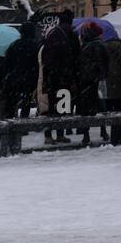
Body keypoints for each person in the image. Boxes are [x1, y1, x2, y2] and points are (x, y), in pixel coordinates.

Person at [40, 11, 79, 144]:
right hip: (65, 76)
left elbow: (44, 54)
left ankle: (48, 135)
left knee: (51, 107)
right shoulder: (71, 34)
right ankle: (60, 134)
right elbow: (77, 56)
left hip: (51, 75)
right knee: (63, 106)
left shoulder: (51, 33)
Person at [77, 23, 108, 144]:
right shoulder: (99, 44)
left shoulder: (85, 45)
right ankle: (103, 131)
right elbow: (104, 62)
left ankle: (86, 134)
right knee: (101, 106)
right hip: (97, 80)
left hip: (86, 80)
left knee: (86, 108)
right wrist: (103, 75)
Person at [4, 22, 40, 119]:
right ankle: (24, 121)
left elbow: (7, 63)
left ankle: (10, 121)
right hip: (30, 79)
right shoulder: (36, 46)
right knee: (26, 102)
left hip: (14, 78)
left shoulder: (14, 45)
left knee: (12, 102)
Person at [103, 31, 121, 142]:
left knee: (110, 106)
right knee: (120, 107)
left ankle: (112, 134)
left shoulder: (104, 46)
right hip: (119, 79)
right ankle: (120, 134)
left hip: (108, 78)